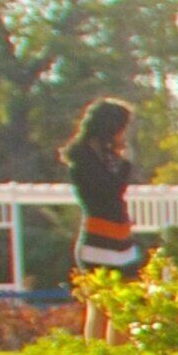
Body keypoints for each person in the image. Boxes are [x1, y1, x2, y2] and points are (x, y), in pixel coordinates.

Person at [63, 99, 144, 273]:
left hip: (122, 241)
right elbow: (109, 191)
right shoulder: (83, 160)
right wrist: (125, 164)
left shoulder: (106, 156)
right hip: (99, 241)